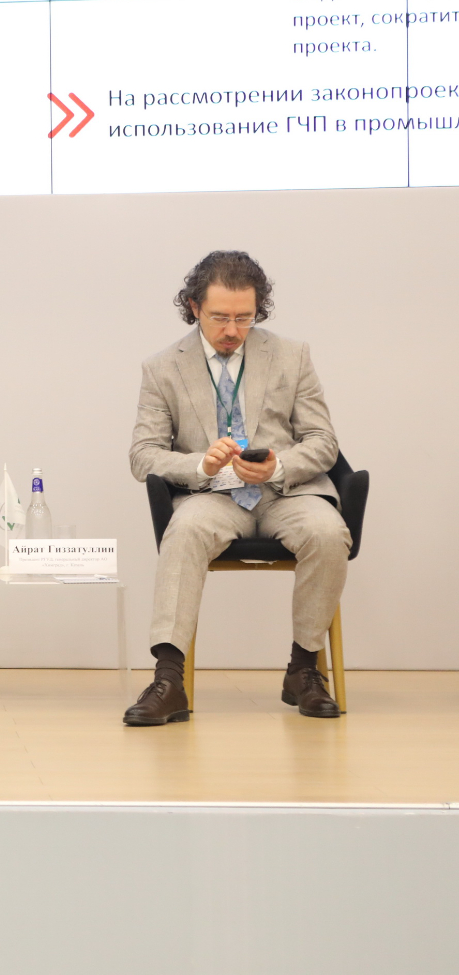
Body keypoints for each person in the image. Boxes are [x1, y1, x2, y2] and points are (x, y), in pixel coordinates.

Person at [125, 250, 348, 726]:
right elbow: (143, 455)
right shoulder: (162, 368)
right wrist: (199, 464)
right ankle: (169, 680)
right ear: (194, 307)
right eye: (220, 317)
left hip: (286, 492)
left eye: (244, 318)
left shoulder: (292, 355)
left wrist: (278, 465)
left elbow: (324, 441)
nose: (232, 330)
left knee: (329, 532)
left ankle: (303, 670)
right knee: (184, 532)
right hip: (211, 496)